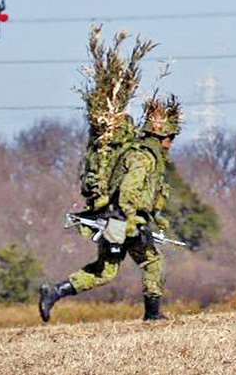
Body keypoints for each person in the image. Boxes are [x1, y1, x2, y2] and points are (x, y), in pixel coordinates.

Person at [39, 95, 181, 322]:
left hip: (114, 219)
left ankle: (55, 291)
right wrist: (134, 223)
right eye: (171, 136)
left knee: (106, 271)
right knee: (153, 263)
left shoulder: (140, 153)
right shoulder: (143, 157)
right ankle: (152, 315)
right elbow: (128, 192)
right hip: (122, 221)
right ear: (161, 136)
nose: (172, 142)